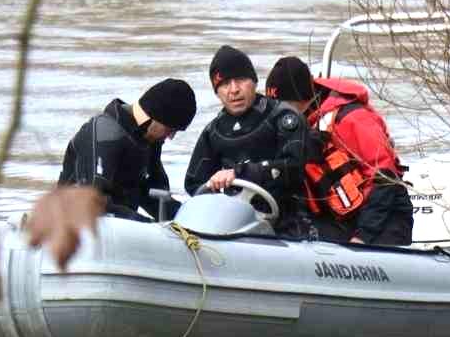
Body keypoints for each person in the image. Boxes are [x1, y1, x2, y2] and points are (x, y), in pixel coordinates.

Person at [264, 56, 414, 246]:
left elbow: (386, 179)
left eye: (283, 106)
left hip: (384, 220)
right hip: (340, 217)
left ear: (302, 100)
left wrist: (362, 237)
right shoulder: (299, 127)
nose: (278, 114)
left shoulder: (353, 119)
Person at [183, 45, 310, 227]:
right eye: (225, 84)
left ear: (254, 82)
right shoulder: (214, 132)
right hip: (231, 222)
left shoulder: (284, 117)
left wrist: (240, 173)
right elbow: (194, 184)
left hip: (288, 222)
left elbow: (294, 167)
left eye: (241, 80)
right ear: (217, 92)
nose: (234, 90)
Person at [58, 78, 195, 221]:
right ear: (154, 116)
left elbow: (154, 196)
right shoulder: (105, 132)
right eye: (170, 129)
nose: (170, 137)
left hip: (120, 230)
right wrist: (146, 225)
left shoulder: (148, 140)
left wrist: (188, 217)